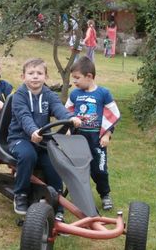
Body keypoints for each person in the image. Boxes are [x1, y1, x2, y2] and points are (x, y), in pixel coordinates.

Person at [7, 58, 81, 216]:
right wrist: (33, 131)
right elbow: (24, 116)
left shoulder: (49, 95)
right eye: (31, 73)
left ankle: (57, 204)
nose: (35, 76)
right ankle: (20, 194)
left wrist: (70, 118)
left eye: (39, 73)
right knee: (28, 156)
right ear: (23, 77)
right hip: (20, 138)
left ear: (46, 77)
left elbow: (59, 109)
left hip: (42, 141)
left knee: (55, 161)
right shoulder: (19, 96)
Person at [65, 56, 120, 210]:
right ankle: (81, 196)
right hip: (78, 138)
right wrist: (68, 128)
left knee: (99, 170)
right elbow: (67, 112)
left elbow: (111, 114)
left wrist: (107, 134)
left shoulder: (103, 93)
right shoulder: (75, 94)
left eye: (77, 78)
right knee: (78, 168)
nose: (74, 82)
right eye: (73, 78)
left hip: (97, 139)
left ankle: (105, 194)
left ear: (89, 76)